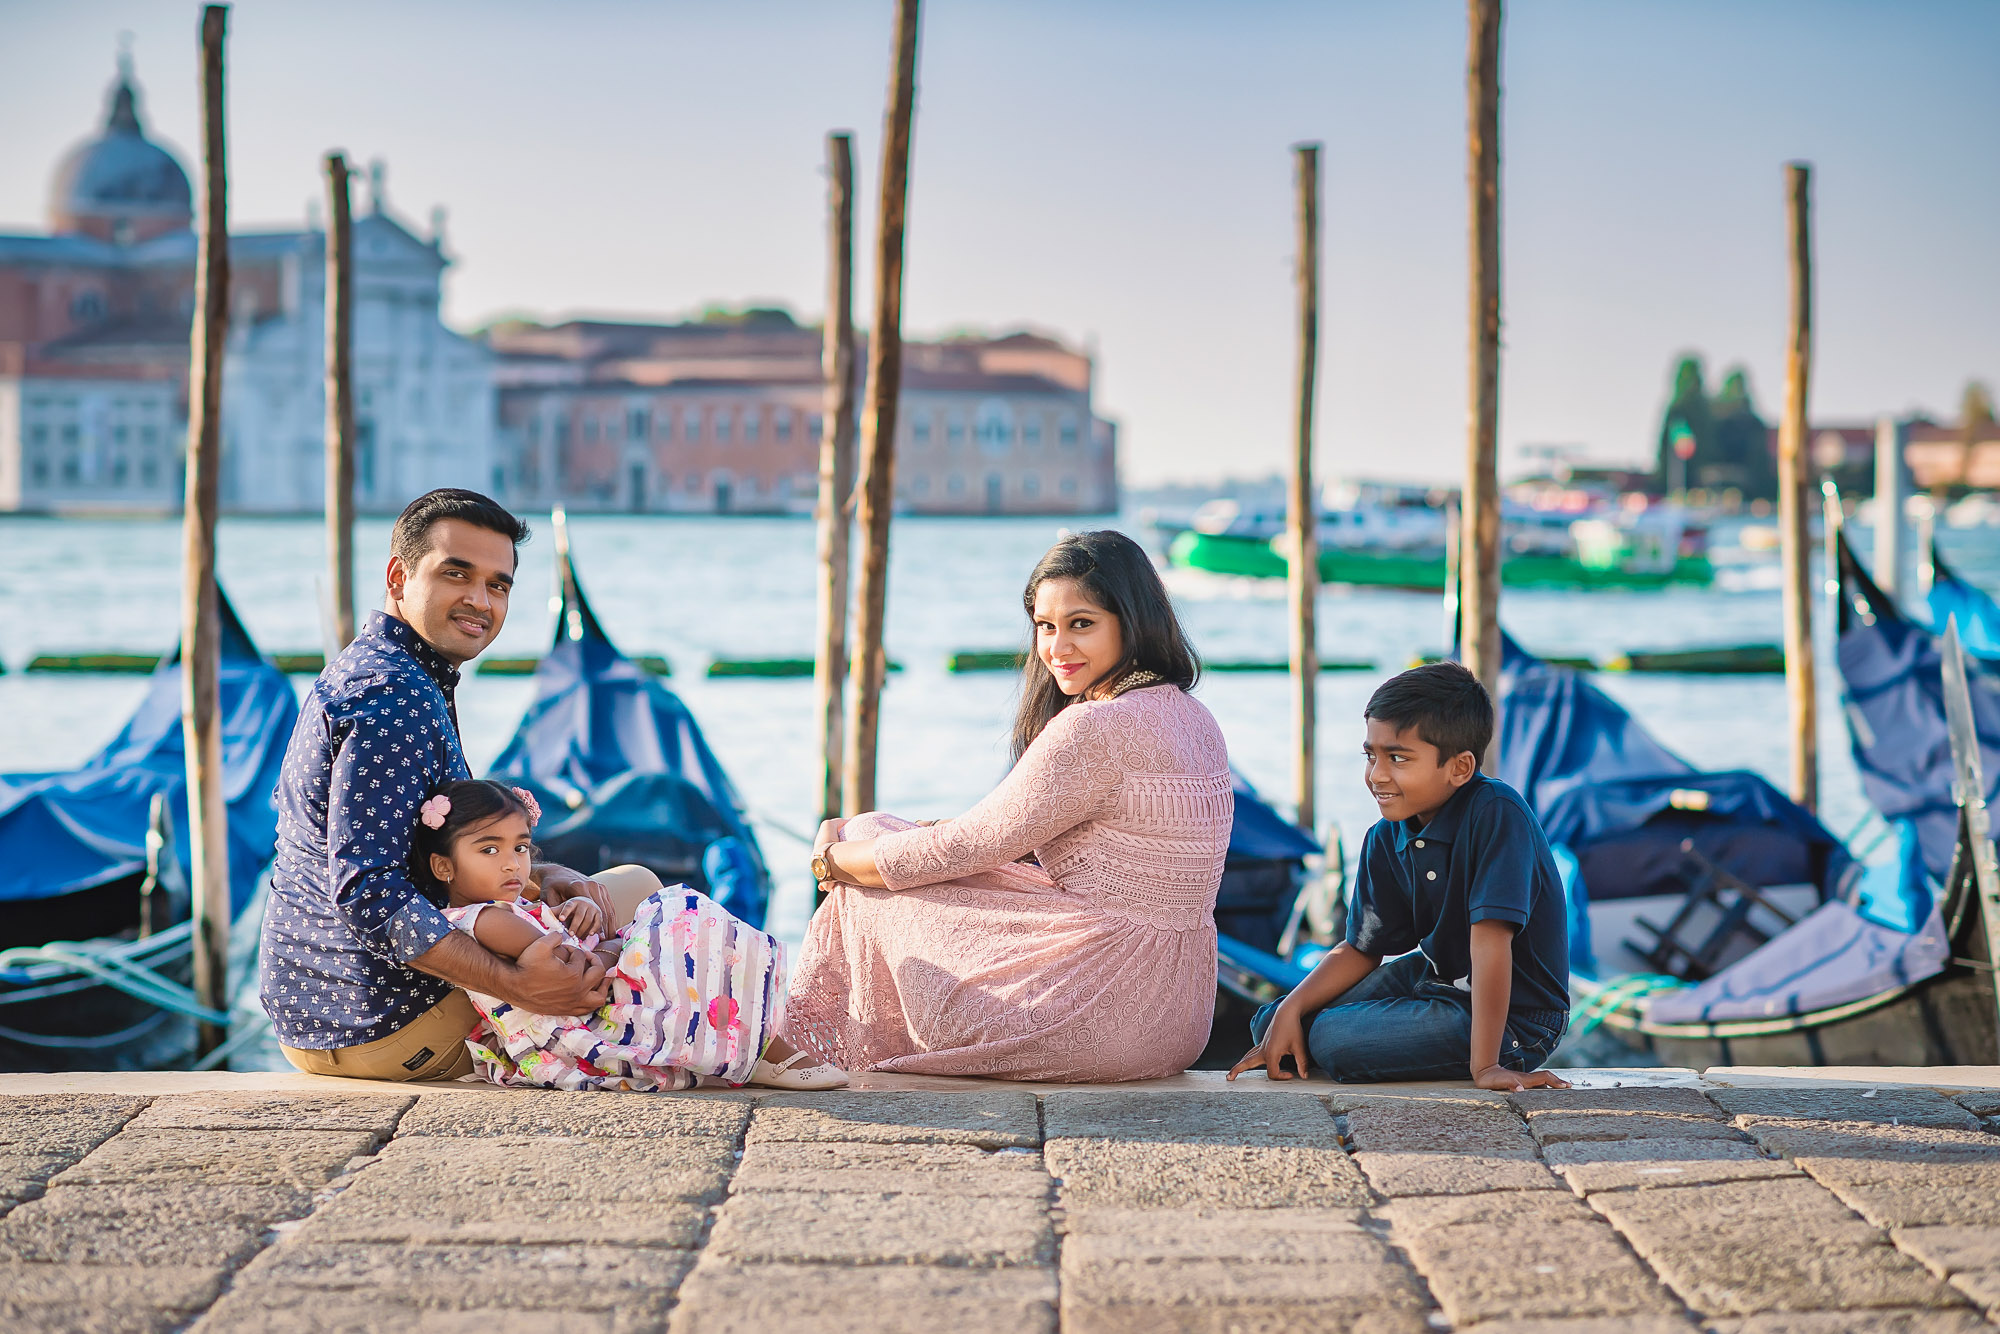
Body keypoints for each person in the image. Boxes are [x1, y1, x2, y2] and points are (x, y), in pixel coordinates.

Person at [785, 530, 1234, 1082]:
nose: (1057, 648)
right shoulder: (1194, 717)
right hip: (1182, 1020)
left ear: (1132, 621)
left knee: (868, 851)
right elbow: (989, 835)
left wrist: (833, 858)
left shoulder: (1096, 727)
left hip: (1103, 1011)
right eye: (1046, 626)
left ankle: (807, 1056)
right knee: (880, 841)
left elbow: (966, 846)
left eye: (1082, 624)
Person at [261, 489, 625, 1082]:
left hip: (323, 1021)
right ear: (398, 577)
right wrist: (516, 985)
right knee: (641, 902)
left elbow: (417, 853)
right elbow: (369, 891)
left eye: (498, 584)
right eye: (457, 574)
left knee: (597, 902)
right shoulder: (392, 695)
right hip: (382, 1026)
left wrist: (534, 877)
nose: (479, 601)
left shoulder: (391, 670)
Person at [1228, 661, 1572, 1089]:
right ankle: (1309, 1029)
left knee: (1332, 1039)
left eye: (1398, 758)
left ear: (1460, 768)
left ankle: (1341, 1040)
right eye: (1371, 755)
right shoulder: (1385, 836)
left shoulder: (1496, 814)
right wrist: (1291, 1008)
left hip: (1517, 1018)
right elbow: (1361, 949)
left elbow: (1490, 941)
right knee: (1272, 1021)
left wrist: (1486, 1067)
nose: (1377, 775)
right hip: (1436, 979)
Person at [418, 779, 844, 1091]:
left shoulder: (511, 908)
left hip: (584, 1010)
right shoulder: (486, 920)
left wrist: (581, 916)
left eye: (521, 847)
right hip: (579, 1030)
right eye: (489, 850)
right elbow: (579, 972)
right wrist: (618, 945)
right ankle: (760, 1051)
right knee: (678, 916)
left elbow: (569, 945)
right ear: (443, 867)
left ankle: (753, 1047)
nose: (511, 863)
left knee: (673, 927)